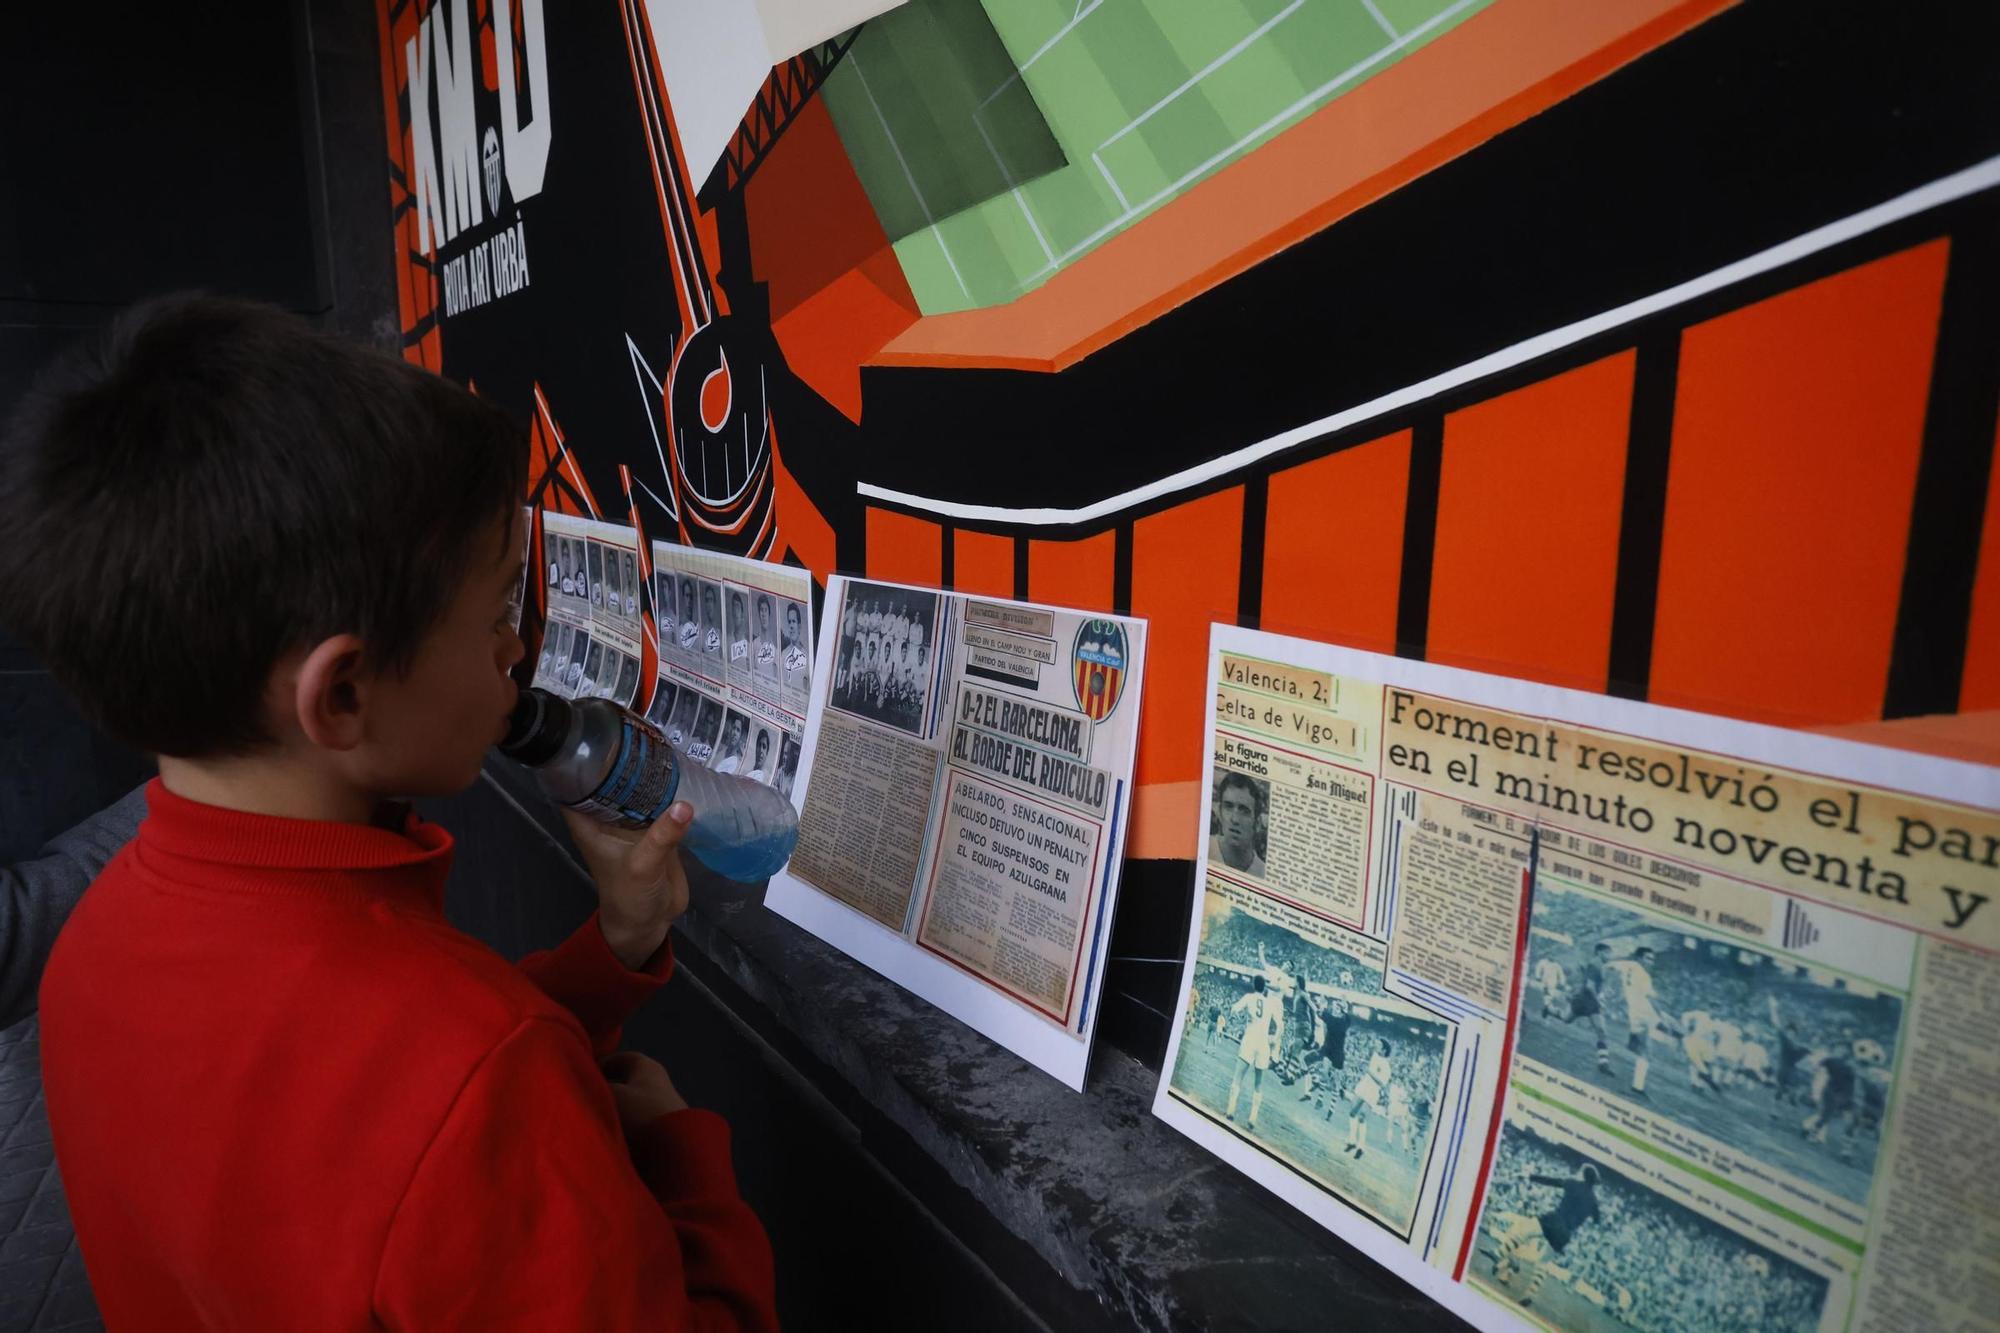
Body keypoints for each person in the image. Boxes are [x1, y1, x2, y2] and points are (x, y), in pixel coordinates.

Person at [0, 297, 776, 1330]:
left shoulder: (90, 952)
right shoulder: (476, 1074)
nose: (517, 648)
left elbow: (348, 1136)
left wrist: (610, 953)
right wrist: (678, 1160)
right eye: (499, 605)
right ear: (344, 695)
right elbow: (442, 1105)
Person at [1489, 1164, 1602, 1310]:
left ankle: (1498, 1253)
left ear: (1583, 1175)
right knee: (1543, 1263)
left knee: (1525, 1232)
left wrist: (1529, 1176)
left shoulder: (1573, 1183)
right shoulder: (1593, 1201)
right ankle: (1530, 1293)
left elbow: (1551, 1181)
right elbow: (1597, 1221)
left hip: (1554, 1220)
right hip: (1566, 1234)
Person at [1606, 946, 1668, 1097]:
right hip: (1645, 1011)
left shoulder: (1626, 964)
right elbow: (1651, 999)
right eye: (1648, 958)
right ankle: (1637, 1088)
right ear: (1640, 958)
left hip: (1633, 1012)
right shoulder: (1644, 976)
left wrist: (1609, 985)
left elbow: (1609, 965)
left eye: (1652, 959)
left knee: (1640, 1049)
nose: (1651, 962)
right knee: (1647, 1052)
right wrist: (1661, 1017)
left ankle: (1634, 1043)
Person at [1225, 975, 1283, 1132]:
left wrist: (1238, 1016)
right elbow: (1280, 1025)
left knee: (1238, 1076)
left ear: (1254, 985)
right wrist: (1274, 1038)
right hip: (1263, 1043)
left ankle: (1231, 1111)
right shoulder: (1270, 1003)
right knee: (1258, 1083)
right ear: (1264, 988)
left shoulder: (1249, 997)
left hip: (1250, 1039)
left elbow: (1234, 1009)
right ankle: (1252, 1118)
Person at [1343, 1038, 1394, 1160]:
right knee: (1352, 1112)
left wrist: (1370, 1072)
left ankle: (1361, 1147)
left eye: (1379, 1045)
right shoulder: (1375, 1055)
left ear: (1384, 1050)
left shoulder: (1387, 1066)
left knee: (1362, 1117)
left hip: (1372, 1091)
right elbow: (1371, 1052)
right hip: (1363, 1086)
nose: (1376, 1046)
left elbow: (1382, 1083)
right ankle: (1352, 1141)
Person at [1210, 772, 1266, 876]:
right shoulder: (1205, 849)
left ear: (1257, 823)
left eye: (1244, 811)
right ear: (1219, 812)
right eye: (1228, 806)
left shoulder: (1263, 873)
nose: (1235, 819)